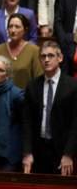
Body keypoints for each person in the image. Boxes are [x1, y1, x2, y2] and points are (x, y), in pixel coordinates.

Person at [22, 41, 77, 176]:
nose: (46, 60)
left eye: (51, 56)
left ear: (60, 58)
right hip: (38, 150)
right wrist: (27, 152)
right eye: (43, 56)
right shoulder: (32, 86)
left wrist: (68, 154)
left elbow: (76, 124)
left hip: (62, 151)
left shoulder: (72, 86)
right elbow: (27, 122)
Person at [0, 13, 43, 89]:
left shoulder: (34, 50)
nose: (13, 30)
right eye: (10, 26)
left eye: (17, 27)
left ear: (25, 30)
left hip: (25, 97)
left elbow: (39, 79)